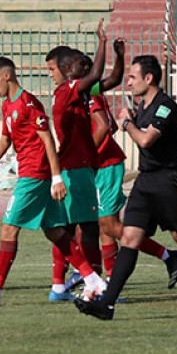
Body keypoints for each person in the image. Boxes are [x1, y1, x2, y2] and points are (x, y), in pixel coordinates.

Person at [74, 55, 177, 320]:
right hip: (145, 182)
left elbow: (146, 140)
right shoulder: (143, 106)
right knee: (129, 238)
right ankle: (107, 304)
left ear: (149, 78)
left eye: (132, 77)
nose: (128, 82)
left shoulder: (165, 107)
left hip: (167, 182)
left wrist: (127, 123)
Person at [0, 56, 106, 307]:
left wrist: (56, 177)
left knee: (8, 229)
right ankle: (93, 280)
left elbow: (48, 139)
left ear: (7, 76)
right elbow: (6, 140)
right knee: (54, 231)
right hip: (31, 173)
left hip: (34, 175)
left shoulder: (28, 103)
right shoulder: (8, 106)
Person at [63, 38, 177, 287]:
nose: (56, 74)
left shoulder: (88, 95)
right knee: (104, 226)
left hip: (103, 164)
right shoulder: (87, 93)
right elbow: (113, 121)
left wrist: (84, 155)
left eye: (57, 68)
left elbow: (106, 125)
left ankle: (166, 255)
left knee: (107, 224)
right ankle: (106, 278)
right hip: (100, 164)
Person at [43, 23, 107, 302]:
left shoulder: (74, 93)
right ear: (70, 70)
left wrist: (117, 53)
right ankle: (95, 285)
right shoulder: (69, 89)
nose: (49, 75)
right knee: (90, 228)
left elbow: (108, 80)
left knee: (67, 228)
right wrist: (103, 42)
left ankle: (59, 286)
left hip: (75, 167)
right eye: (81, 63)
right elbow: (97, 74)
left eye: (50, 70)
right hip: (76, 167)